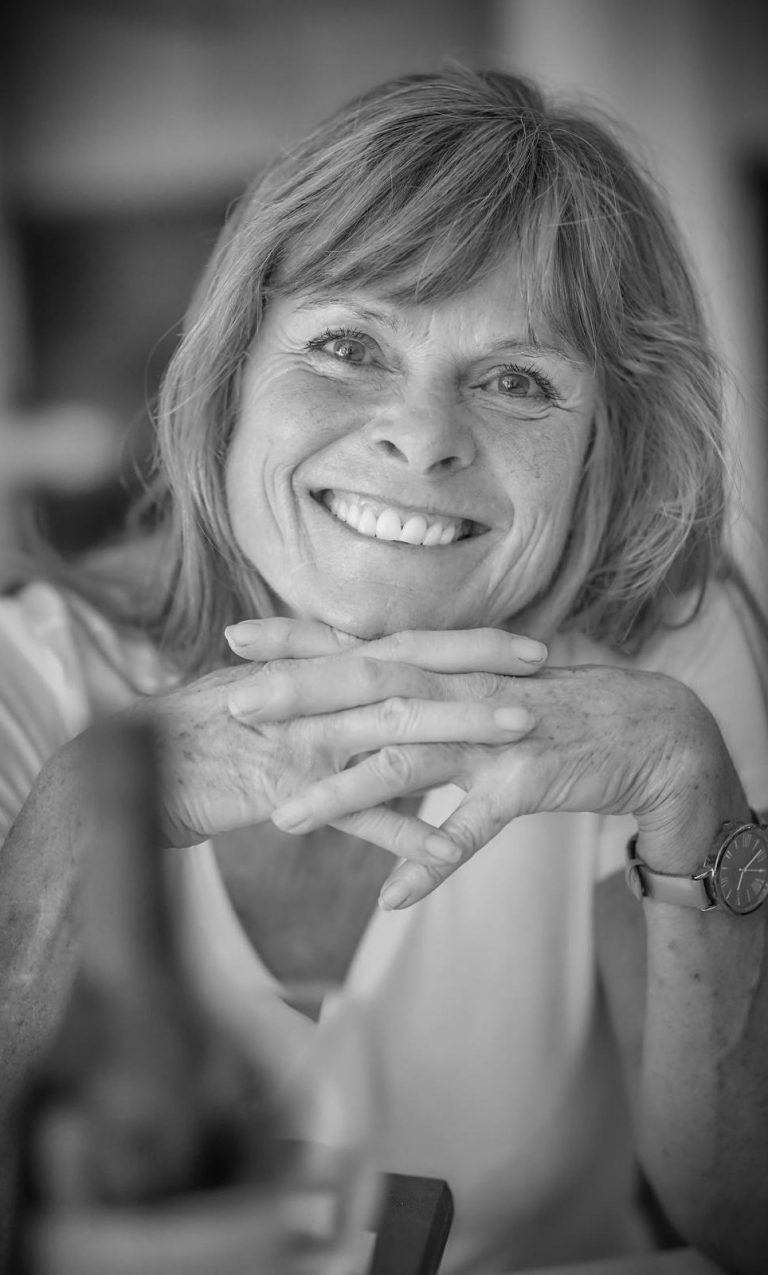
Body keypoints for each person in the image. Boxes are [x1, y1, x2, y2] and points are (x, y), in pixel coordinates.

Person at [2, 65, 768, 1274]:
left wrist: (692, 792)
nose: (421, 436)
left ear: (601, 453)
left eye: (517, 380)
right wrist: (83, 817)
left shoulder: (662, 666)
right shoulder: (27, 678)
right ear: (229, 382)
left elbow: (747, 1223)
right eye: (349, 345)